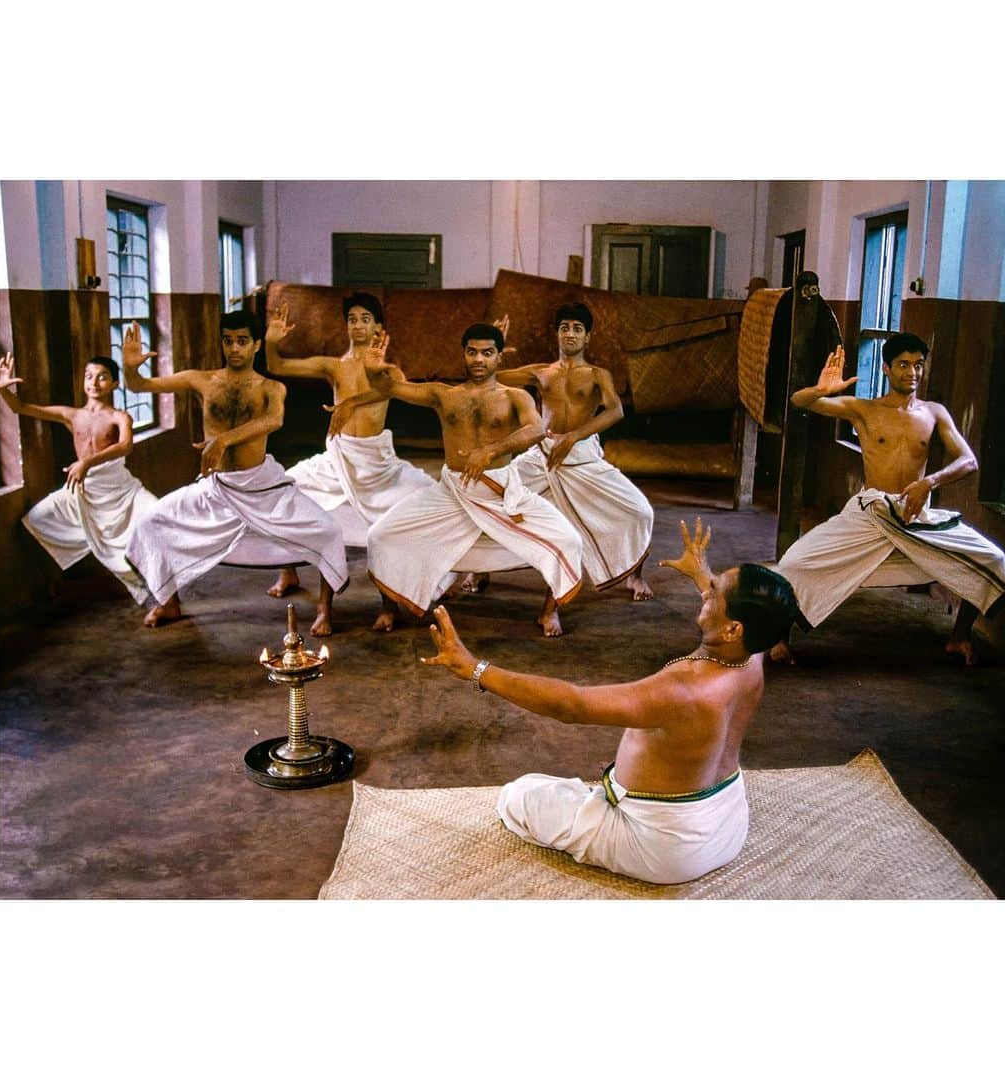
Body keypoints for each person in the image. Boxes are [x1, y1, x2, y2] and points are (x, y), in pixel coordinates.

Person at [420, 518, 799, 885]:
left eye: (714, 589)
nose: (706, 590)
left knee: (518, 795)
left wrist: (475, 668)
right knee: (565, 792)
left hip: (666, 849)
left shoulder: (684, 689)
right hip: (728, 823)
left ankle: (606, 815)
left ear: (733, 628)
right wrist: (702, 574)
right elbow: (736, 619)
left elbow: (574, 705)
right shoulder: (753, 656)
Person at [772, 333, 1005, 665]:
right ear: (886, 369)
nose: (911, 372)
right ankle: (779, 639)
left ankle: (960, 637)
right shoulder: (864, 410)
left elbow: (969, 460)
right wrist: (822, 391)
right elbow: (800, 401)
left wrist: (930, 481)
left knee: (990, 558)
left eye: (917, 365)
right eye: (902, 365)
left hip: (915, 516)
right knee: (795, 562)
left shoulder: (934, 413)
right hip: (872, 511)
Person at [339, 322, 583, 636]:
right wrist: (373, 371)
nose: (478, 359)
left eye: (487, 353)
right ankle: (389, 607)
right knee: (381, 536)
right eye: (471, 352)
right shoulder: (444, 394)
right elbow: (392, 389)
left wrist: (492, 450)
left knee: (568, 540)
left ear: (499, 358)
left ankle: (549, 613)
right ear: (463, 355)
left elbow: (536, 430)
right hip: (452, 492)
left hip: (502, 493)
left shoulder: (515, 396)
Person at [122, 313, 349, 630]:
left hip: (262, 487)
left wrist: (223, 441)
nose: (234, 348)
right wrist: (131, 367)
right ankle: (169, 602)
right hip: (216, 488)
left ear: (257, 345)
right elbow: (138, 385)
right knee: (149, 523)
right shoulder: (201, 380)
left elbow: (274, 420)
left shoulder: (271, 387)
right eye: (228, 341)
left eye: (242, 341)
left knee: (328, 530)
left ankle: (324, 608)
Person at [263, 294, 434, 607]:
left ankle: (395, 594)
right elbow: (277, 365)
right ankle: (288, 570)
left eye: (365, 319)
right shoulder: (334, 366)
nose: (357, 325)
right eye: (352, 319)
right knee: (284, 489)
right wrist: (272, 341)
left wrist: (359, 394)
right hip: (339, 458)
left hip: (376, 463)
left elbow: (408, 393)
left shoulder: (389, 371)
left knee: (425, 496)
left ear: (378, 327)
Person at [486, 302, 654, 600]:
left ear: (587, 337)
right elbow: (491, 378)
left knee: (639, 511)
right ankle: (481, 567)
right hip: (544, 456)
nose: (570, 334)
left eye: (578, 329)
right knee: (492, 495)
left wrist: (574, 437)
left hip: (580, 458)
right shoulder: (540, 372)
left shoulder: (598, 374)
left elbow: (615, 411)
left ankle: (635, 575)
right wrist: (494, 346)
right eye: (565, 328)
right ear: (557, 334)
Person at [0, 352, 156, 604]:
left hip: (118, 488)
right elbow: (20, 408)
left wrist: (86, 462)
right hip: (82, 487)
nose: (94, 382)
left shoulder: (119, 417)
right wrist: (3, 389)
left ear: (115, 384)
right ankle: (56, 583)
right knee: (35, 520)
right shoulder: (70, 414)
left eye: (102, 377)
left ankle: (163, 589)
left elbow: (125, 446)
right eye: (89, 376)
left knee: (156, 517)